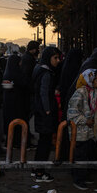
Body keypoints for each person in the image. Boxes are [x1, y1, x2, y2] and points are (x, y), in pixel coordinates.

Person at [67, 69, 97, 189]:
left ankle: (84, 176)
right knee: (80, 154)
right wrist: (84, 120)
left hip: (91, 130)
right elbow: (72, 112)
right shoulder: (80, 92)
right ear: (89, 80)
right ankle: (78, 179)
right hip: (79, 131)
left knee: (87, 154)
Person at [32, 46, 61, 182]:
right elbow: (44, 93)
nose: (58, 61)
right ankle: (40, 172)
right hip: (45, 114)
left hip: (39, 111)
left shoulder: (39, 69)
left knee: (42, 141)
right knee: (45, 142)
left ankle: (36, 168)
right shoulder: (47, 73)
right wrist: (48, 110)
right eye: (55, 58)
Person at [2, 53, 29, 148]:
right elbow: (24, 84)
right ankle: (16, 142)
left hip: (8, 103)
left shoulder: (6, 73)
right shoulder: (17, 73)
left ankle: (10, 142)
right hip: (17, 102)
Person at [21, 40, 40, 145]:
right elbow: (28, 76)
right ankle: (26, 136)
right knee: (28, 114)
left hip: (28, 91)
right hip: (28, 91)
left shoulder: (27, 58)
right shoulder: (28, 60)